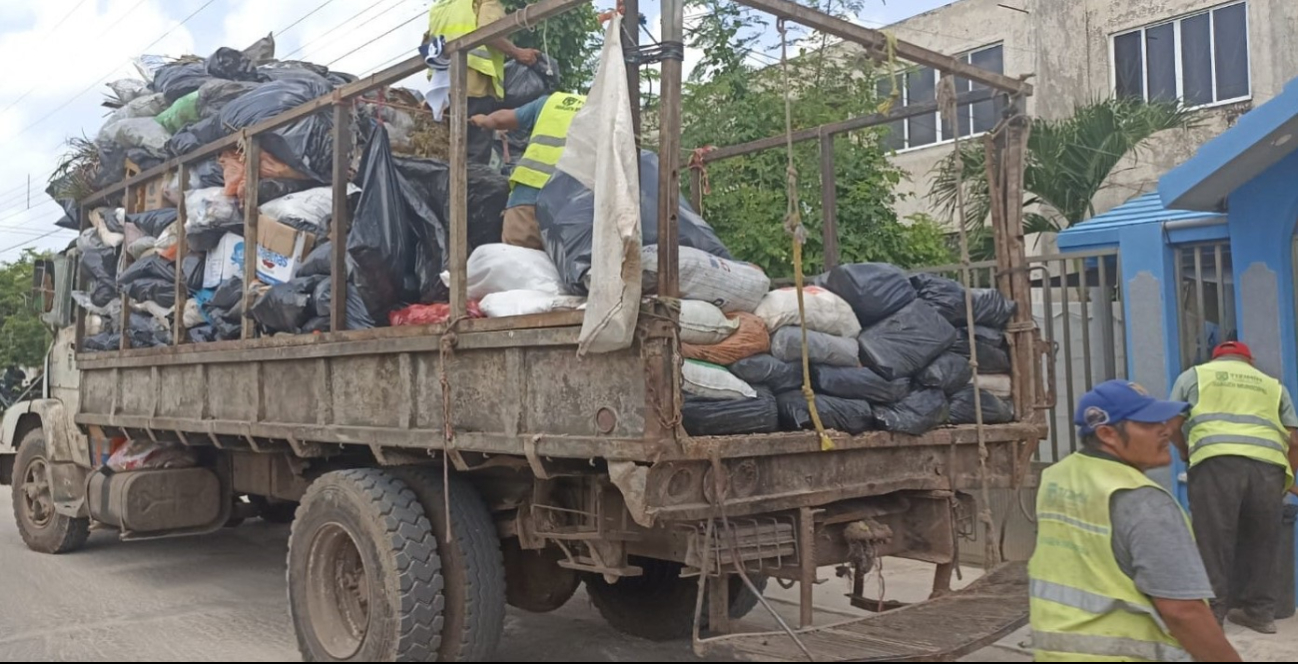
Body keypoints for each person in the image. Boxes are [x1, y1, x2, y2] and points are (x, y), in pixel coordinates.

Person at [1029, 379, 1240, 662]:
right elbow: (1183, 611)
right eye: (1148, 423)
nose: (1165, 430)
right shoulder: (1142, 500)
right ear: (1107, 434)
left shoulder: (1057, 476)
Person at [1169, 340, 1298, 633]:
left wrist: (1185, 451)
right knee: (1263, 539)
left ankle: (1213, 615)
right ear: (1249, 362)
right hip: (1268, 467)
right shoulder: (1273, 385)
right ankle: (1261, 613)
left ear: (1216, 358)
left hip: (1216, 462)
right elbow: (1294, 440)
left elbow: (1172, 423)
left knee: (1213, 539)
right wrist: (1287, 478)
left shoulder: (1194, 375)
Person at [426, 0, 541, 164]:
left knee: (446, 153)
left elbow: (427, 44)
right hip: (473, 85)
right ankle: (472, 189)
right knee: (475, 154)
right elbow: (488, 31)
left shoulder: (441, 7)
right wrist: (517, 53)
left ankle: (450, 188)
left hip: (441, 91)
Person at [469, 91, 587, 249]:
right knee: (569, 267)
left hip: (527, 196)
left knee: (518, 261)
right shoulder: (601, 108)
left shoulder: (549, 102)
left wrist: (483, 120)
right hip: (572, 204)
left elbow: (501, 118)